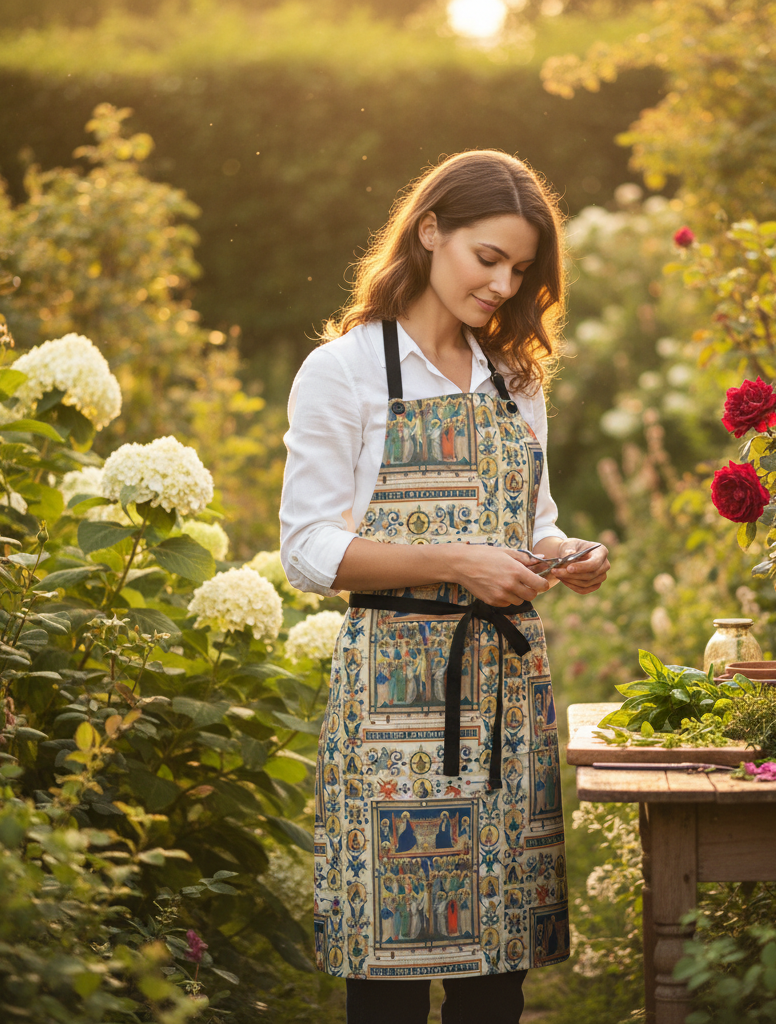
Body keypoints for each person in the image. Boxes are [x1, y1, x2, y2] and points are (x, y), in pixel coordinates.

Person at [280, 149, 610, 1024]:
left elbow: (532, 519)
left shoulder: (516, 380)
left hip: (505, 694)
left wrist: (565, 552)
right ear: (429, 231)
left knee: (495, 980)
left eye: (521, 270)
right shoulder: (345, 371)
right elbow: (308, 549)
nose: (503, 285)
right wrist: (459, 561)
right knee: (386, 982)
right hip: (392, 695)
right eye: (487, 258)